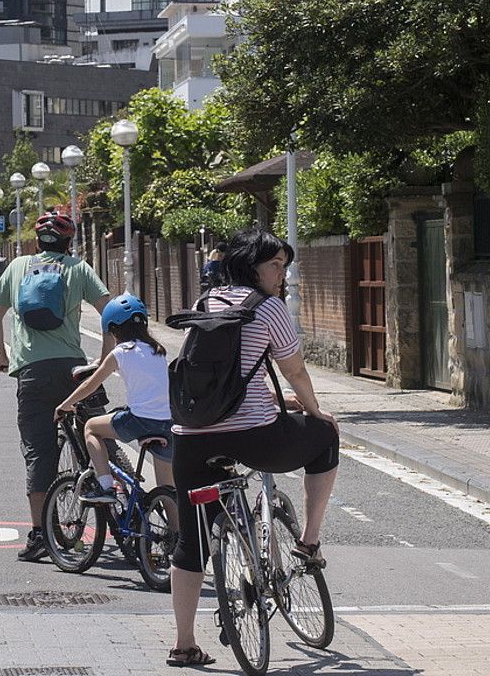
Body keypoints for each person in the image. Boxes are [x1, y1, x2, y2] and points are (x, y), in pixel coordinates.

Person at [166, 227, 339, 667]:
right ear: (251, 265)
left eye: (285, 265)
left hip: (191, 434)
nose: (282, 273)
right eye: (275, 264)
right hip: (254, 436)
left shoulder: (207, 302)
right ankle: (309, 543)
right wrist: (315, 410)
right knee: (325, 438)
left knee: (191, 542)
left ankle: (184, 644)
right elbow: (295, 370)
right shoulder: (269, 308)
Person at [0, 212, 111, 562]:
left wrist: (1, 357)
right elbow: (111, 312)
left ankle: (41, 534)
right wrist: (104, 360)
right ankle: (118, 517)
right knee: (99, 438)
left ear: (36, 242)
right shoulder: (78, 268)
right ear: (69, 242)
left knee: (39, 453)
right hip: (75, 370)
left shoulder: (17, 267)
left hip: (32, 373)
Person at [54, 293, 174, 496]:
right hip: (167, 423)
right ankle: (173, 527)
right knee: (167, 491)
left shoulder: (120, 352)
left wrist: (64, 405)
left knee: (91, 428)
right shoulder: (158, 351)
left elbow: (90, 386)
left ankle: (105, 486)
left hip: (140, 421)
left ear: (114, 330)